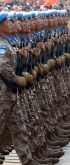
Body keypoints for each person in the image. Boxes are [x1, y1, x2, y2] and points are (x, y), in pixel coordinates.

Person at [0, 12, 35, 165]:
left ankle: (27, 161)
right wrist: (16, 79)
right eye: (7, 22)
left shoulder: (6, 42)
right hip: (3, 94)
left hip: (11, 94)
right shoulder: (1, 44)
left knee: (19, 129)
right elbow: (2, 66)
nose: (11, 25)